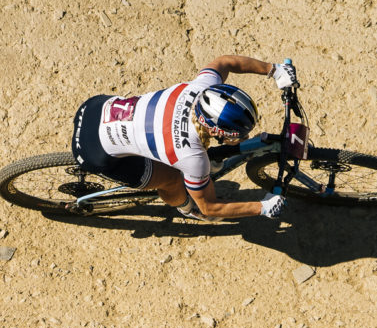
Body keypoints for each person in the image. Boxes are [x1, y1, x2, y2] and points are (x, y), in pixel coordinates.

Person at [70, 55, 297, 220]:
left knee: (174, 157)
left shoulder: (202, 87)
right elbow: (210, 208)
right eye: (239, 134)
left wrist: (274, 69)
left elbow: (225, 62)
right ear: (215, 130)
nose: (245, 136)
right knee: (171, 179)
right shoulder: (192, 157)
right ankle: (186, 207)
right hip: (95, 152)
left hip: (94, 108)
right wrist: (262, 207)